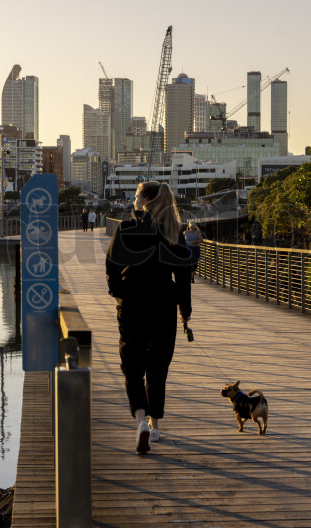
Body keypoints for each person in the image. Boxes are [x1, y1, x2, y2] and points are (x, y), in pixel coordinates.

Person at [106, 181, 193, 454]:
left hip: (131, 304)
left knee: (132, 365)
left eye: (135, 196)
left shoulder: (126, 228)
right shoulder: (173, 231)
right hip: (163, 304)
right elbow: (183, 275)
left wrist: (119, 292)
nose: (133, 200)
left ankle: (141, 420)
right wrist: (184, 311)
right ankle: (155, 427)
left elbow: (111, 267)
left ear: (144, 201)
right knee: (158, 366)